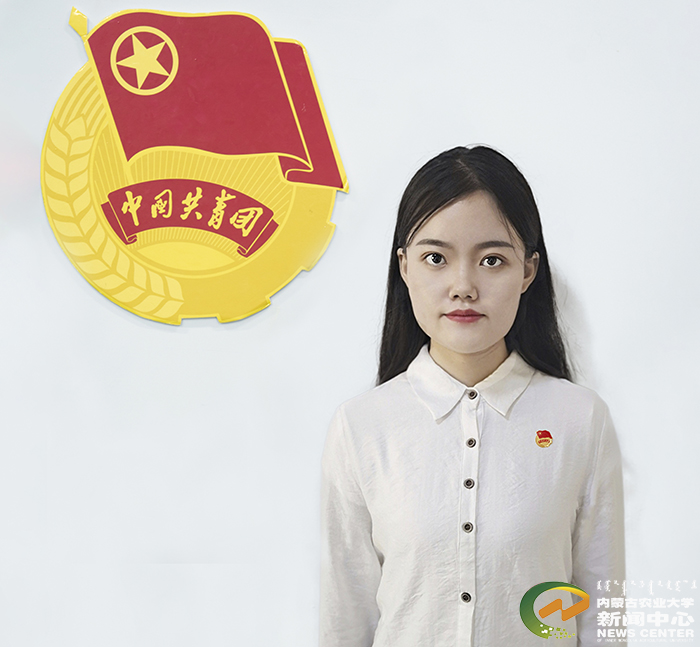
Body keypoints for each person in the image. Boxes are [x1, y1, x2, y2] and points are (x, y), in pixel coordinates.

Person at [319, 145, 625, 647]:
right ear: (405, 267)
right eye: (436, 258)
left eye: (492, 260)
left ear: (528, 271)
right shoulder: (361, 426)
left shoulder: (580, 420)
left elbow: (601, 613)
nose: (463, 286)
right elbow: (345, 618)